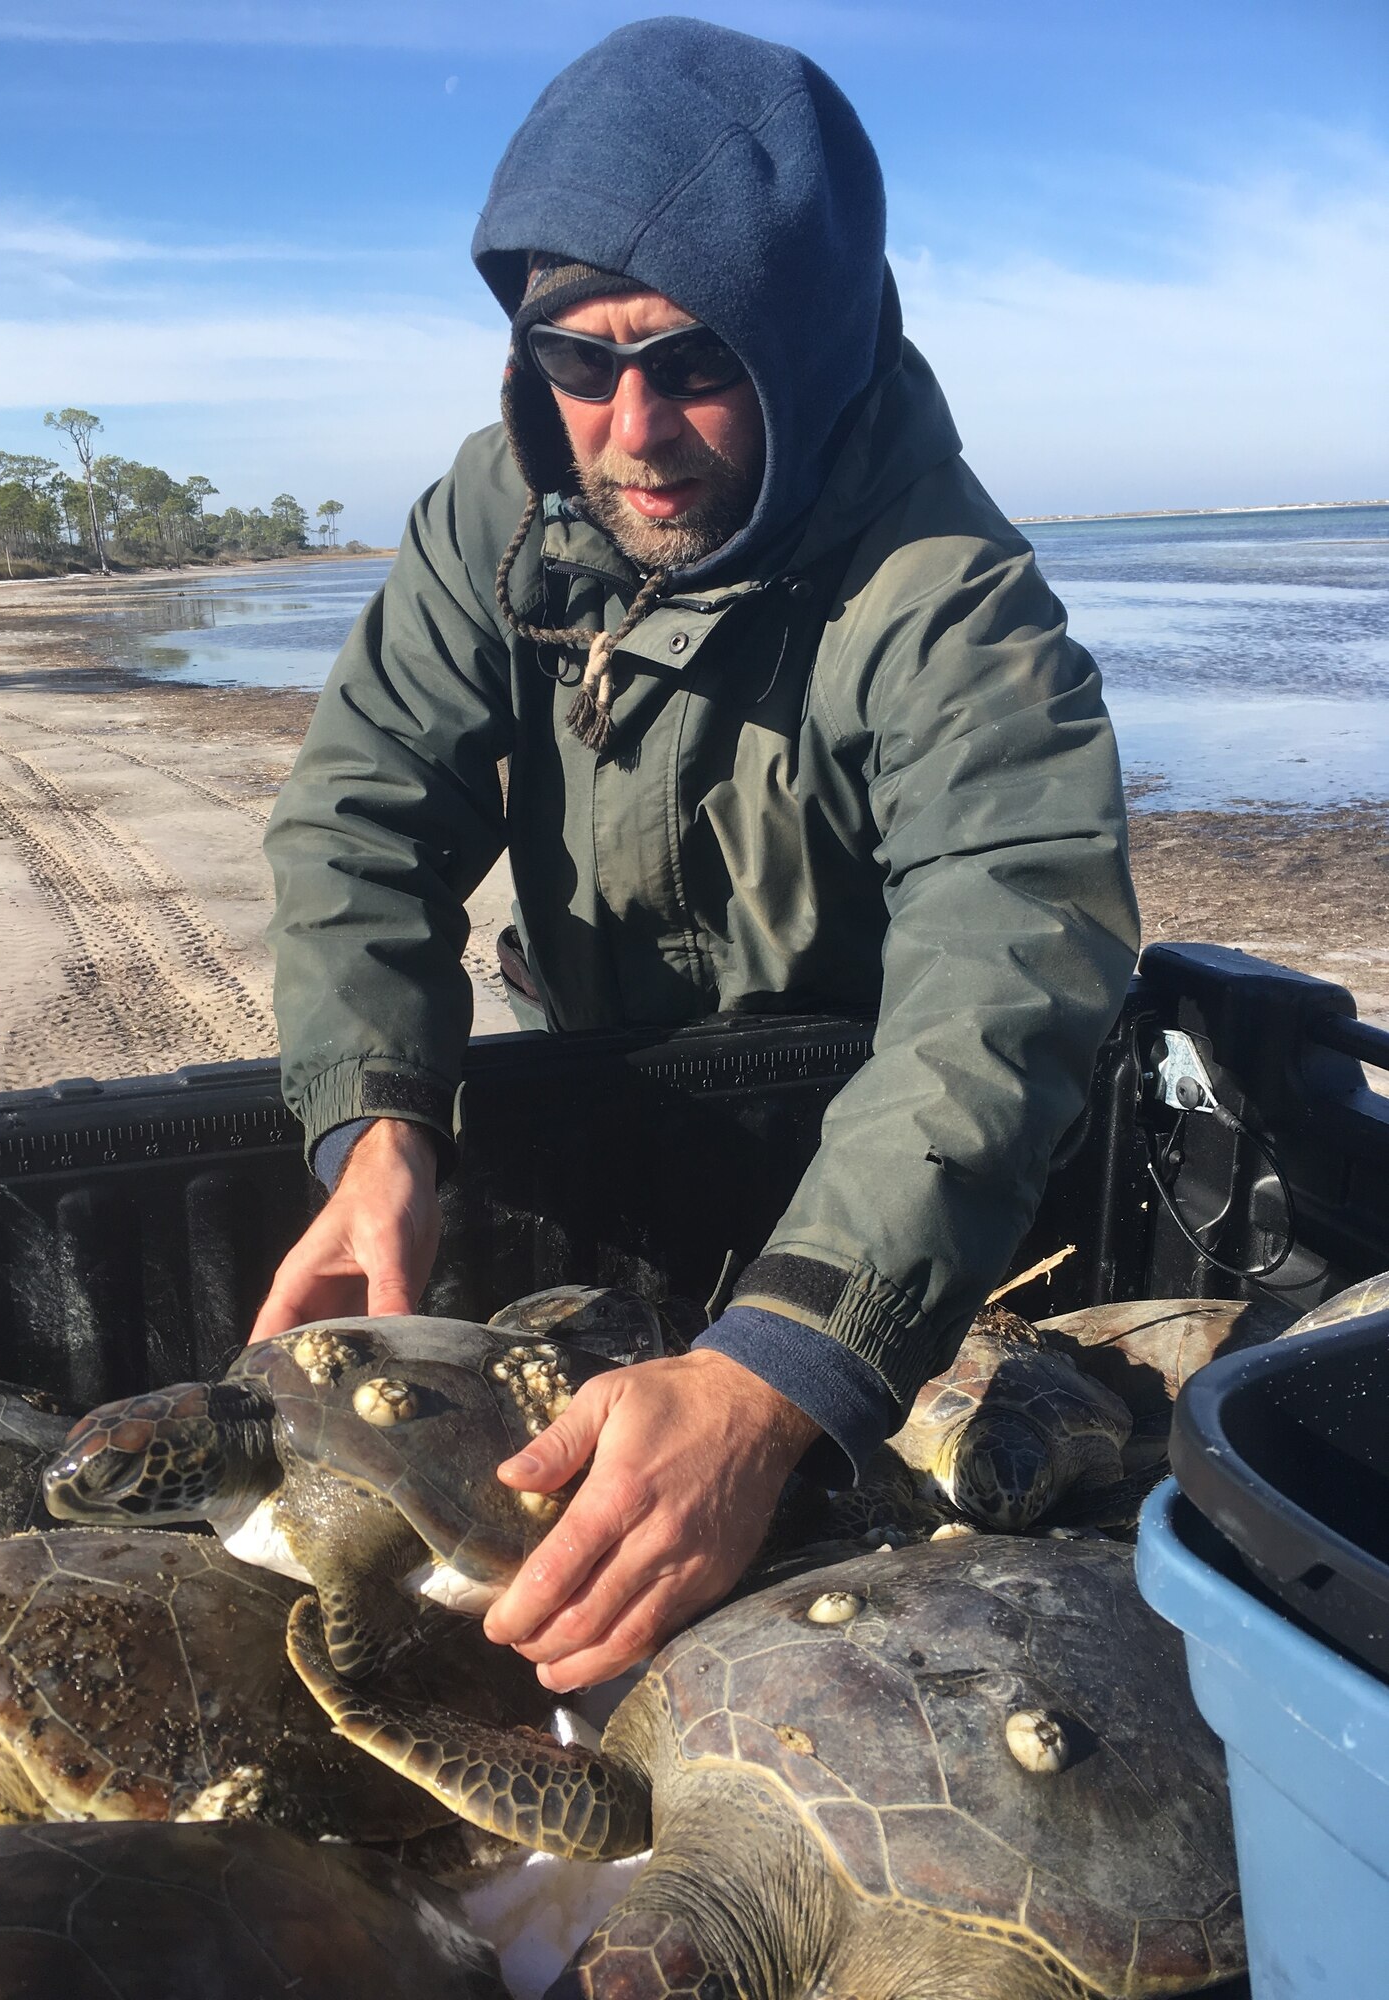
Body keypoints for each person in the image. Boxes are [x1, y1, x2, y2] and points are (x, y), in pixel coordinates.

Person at [253, 19, 1140, 1693]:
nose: (631, 428)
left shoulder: (951, 598)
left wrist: (776, 1377)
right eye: (577, 362)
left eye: (694, 362)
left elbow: (1011, 962)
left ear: (804, 346)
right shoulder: (495, 513)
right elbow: (361, 809)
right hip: (610, 1104)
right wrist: (374, 1124)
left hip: (889, 1190)